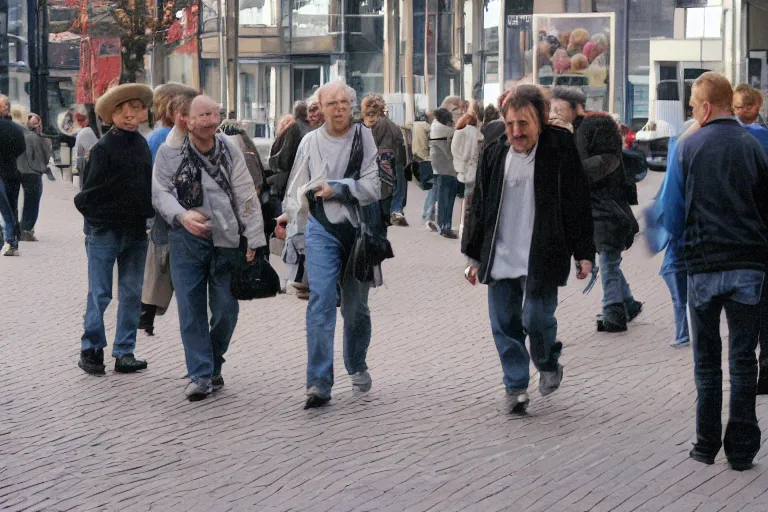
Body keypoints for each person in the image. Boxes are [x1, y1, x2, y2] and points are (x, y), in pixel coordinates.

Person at [462, 85, 595, 414]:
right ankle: (516, 386)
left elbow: (577, 202)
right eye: (510, 124)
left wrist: (584, 252)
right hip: (502, 252)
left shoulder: (560, 148)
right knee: (505, 323)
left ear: (540, 120)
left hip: (542, 253)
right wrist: (474, 257)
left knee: (536, 319)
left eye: (524, 123)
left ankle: (548, 362)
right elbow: (478, 206)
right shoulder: (494, 152)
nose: (516, 132)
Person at [662, 72, 768, 471]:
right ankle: (742, 450)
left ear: (705, 107)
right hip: (748, 266)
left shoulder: (688, 147)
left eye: (692, 106)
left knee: (707, 361)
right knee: (743, 359)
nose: (691, 112)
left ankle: (706, 443)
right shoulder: (753, 144)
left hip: (703, 266)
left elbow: (672, 214)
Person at [152, 95, 267, 401]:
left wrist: (254, 239)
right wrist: (182, 215)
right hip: (186, 239)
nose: (210, 120)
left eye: (214, 114)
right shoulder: (170, 151)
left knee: (227, 308)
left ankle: (214, 359)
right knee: (190, 308)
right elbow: (160, 191)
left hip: (227, 237)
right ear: (186, 119)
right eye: (202, 115)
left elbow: (245, 192)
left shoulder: (230, 147)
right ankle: (200, 374)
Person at [275, 81, 382, 409]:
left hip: (357, 231)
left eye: (344, 102)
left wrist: (338, 187)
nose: (338, 108)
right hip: (321, 229)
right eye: (331, 103)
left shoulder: (364, 137)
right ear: (319, 109)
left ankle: (356, 363)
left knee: (355, 308)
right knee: (320, 300)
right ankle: (319, 381)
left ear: (352, 105)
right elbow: (296, 187)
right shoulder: (309, 141)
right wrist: (292, 221)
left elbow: (374, 185)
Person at [74, 84, 155, 375]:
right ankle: (92, 349)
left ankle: (124, 352)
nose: (131, 116)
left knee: (132, 293)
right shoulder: (103, 148)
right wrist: (98, 222)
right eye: (123, 111)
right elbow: (88, 194)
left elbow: (147, 186)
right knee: (100, 293)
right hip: (106, 232)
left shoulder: (142, 145)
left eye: (135, 109)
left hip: (134, 231)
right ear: (113, 115)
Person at [139, 84, 199, 336]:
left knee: (159, 269)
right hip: (170, 214)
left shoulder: (155, 137)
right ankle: (146, 314)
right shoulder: (161, 139)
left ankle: (146, 315)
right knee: (161, 266)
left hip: (171, 214)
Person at [575, 113, 641, 332]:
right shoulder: (612, 157)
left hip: (610, 218)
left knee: (609, 264)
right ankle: (629, 304)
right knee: (610, 264)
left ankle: (612, 309)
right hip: (611, 218)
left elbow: (585, 175)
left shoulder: (603, 161)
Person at [361, 93, 407, 226]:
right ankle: (394, 211)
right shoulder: (387, 122)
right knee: (392, 187)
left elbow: (372, 143)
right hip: (392, 158)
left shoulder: (376, 122)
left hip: (383, 159)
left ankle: (385, 215)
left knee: (383, 190)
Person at [16, 113, 52, 242]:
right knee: (32, 201)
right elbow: (46, 157)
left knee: (12, 201)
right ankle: (26, 229)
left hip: (16, 171)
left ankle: (13, 229)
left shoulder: (16, 134)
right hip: (33, 172)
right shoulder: (40, 138)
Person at [0, 95, 26, 256]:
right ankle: (11, 240)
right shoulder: (16, 128)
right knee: (10, 208)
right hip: (10, 171)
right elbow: (21, 149)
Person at [452, 113, 484, 239]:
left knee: (466, 198)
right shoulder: (478, 134)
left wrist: (461, 165)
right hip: (474, 169)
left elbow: (454, 151)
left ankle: (463, 227)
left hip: (462, 170)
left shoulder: (459, 133)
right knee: (471, 199)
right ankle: (468, 228)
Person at [429, 107, 458, 238]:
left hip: (438, 167)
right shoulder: (448, 131)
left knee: (441, 198)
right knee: (448, 199)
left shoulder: (434, 128)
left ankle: (441, 224)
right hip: (448, 169)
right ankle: (445, 227)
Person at [412, 111, 437, 227]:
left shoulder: (415, 126)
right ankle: (428, 214)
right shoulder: (428, 128)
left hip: (418, 159)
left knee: (430, 188)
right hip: (427, 160)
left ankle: (428, 213)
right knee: (433, 188)